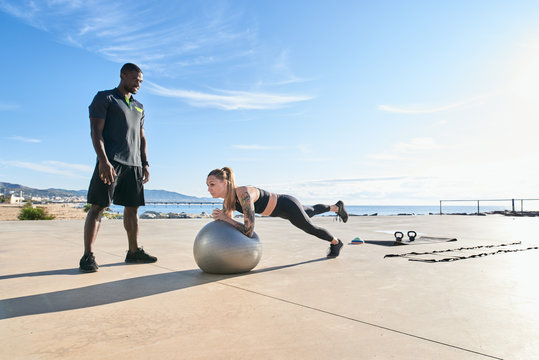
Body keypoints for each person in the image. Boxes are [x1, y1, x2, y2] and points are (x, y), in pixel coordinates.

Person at [79, 63, 157, 273]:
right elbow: (96, 131)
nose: (138, 84)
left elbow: (142, 137)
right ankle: (87, 256)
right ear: (123, 75)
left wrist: (145, 163)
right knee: (98, 206)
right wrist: (103, 161)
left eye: (140, 81)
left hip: (134, 165)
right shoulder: (105, 98)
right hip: (110, 162)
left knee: (132, 208)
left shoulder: (139, 106)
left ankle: (133, 252)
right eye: (134, 79)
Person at [206, 167, 348, 258]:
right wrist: (224, 219)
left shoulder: (243, 194)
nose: (209, 189)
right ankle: (335, 207)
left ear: (225, 182)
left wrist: (226, 218)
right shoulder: (227, 202)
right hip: (280, 211)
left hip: (287, 205)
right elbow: (227, 229)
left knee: (309, 227)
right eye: (207, 185)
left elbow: (248, 231)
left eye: (212, 184)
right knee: (310, 210)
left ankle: (336, 242)